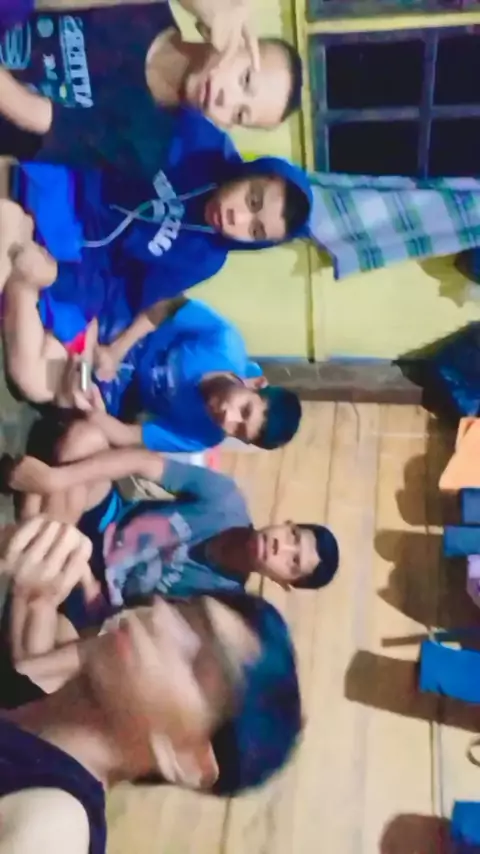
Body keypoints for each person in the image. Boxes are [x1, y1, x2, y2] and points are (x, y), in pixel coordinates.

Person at [0, 516, 302, 854]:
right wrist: (19, 550)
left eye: (197, 664)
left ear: (191, 762)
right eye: (185, 612)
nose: (158, 615)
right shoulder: (27, 704)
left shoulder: (53, 824)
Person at [1, 145, 312, 399]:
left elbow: (134, 292)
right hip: (67, 198)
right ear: (251, 172)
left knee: (39, 381)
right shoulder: (197, 142)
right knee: (9, 224)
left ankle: (22, 277)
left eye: (254, 231)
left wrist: (61, 281)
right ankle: (20, 253)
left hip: (78, 272)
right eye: (252, 199)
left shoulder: (207, 258)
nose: (237, 217)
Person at [3, 431, 340, 618]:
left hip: (97, 590)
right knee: (85, 442)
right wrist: (55, 480)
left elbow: (124, 623)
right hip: (110, 520)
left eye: (292, 562)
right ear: (286, 523)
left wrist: (89, 583)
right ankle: (38, 520)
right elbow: (142, 462)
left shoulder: (220, 601)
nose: (282, 546)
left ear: (283, 582)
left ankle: (34, 524)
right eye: (293, 535)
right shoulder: (225, 499)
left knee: (63, 559)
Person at [0, 0, 302, 170]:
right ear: (235, 39)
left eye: (239, 114)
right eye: (244, 80)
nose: (226, 100)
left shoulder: (148, 144)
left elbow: (33, 114)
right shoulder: (147, 7)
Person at [5, 292, 302, 452]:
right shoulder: (223, 342)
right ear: (255, 383)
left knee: (47, 386)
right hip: (124, 330)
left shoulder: (204, 436)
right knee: (49, 359)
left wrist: (94, 412)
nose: (228, 418)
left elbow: (128, 435)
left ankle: (54, 340)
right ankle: (38, 309)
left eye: (238, 431)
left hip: (120, 388)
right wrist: (117, 349)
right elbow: (167, 304)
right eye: (244, 410)